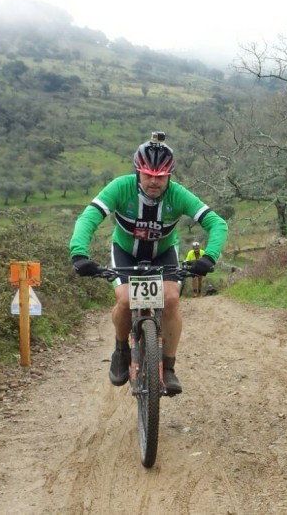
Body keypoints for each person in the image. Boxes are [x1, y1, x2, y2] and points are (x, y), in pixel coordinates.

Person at [69, 133, 228, 394]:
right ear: (137, 172)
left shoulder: (178, 195)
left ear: (170, 176)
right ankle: (121, 349)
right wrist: (79, 254)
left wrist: (209, 257)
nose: (154, 181)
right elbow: (89, 217)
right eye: (147, 175)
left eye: (161, 176)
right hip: (125, 252)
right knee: (124, 299)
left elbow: (217, 223)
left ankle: (168, 367)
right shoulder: (120, 188)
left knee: (172, 299)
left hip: (163, 254)